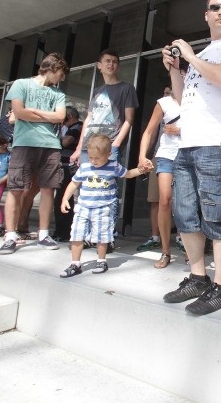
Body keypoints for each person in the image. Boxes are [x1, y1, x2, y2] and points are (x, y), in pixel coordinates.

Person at [160, 0, 221, 316]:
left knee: (219, 215)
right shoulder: (203, 53)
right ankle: (198, 277)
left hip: (218, 143)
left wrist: (189, 55)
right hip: (188, 144)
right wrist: (176, 68)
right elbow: (182, 95)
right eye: (216, 8)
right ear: (207, 14)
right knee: (186, 214)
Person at [0, 53, 69, 254]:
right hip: (24, 143)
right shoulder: (21, 84)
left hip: (51, 145)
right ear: (53, 69)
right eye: (61, 73)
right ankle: (10, 235)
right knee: (16, 188)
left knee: (49, 189)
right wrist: (48, 116)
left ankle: (43, 234)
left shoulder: (58, 94)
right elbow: (18, 112)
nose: (61, 78)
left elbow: (60, 116)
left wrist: (34, 113)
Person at [70, 49, 139, 239]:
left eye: (115, 61)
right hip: (87, 146)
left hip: (109, 146)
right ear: (99, 66)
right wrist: (78, 148)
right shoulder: (97, 91)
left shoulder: (127, 88)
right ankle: (84, 234)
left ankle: (108, 235)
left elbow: (129, 120)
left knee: (108, 189)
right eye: (107, 61)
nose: (111, 64)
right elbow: (88, 119)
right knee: (85, 187)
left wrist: (116, 144)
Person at [58, 135, 149, 277]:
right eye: (91, 157)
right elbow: (74, 183)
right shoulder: (84, 167)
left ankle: (101, 260)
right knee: (76, 234)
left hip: (103, 207)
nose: (93, 161)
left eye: (97, 158)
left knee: (102, 236)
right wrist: (65, 199)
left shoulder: (113, 166)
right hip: (83, 207)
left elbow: (129, 174)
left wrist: (141, 170)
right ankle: (75, 263)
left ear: (109, 154)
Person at [137, 83, 182, 268]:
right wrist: (142, 156)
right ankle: (165, 251)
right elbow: (148, 131)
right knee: (164, 200)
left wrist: (181, 131)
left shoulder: (197, 100)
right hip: (166, 155)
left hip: (188, 154)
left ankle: (189, 248)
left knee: (187, 203)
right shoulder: (163, 102)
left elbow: (208, 130)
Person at [53, 106, 83, 242]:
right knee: (61, 198)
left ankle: (63, 231)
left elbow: (66, 142)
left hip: (69, 167)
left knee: (62, 198)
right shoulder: (68, 128)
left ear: (69, 116)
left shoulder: (77, 127)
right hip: (63, 166)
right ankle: (61, 230)